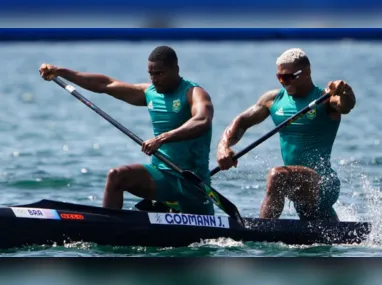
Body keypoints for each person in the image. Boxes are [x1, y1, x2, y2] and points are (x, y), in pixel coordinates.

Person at [39, 45, 215, 215]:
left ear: (176, 69)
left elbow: (202, 120)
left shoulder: (193, 93)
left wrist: (161, 139)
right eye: (151, 74)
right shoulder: (150, 92)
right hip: (162, 176)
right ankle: (106, 228)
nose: (154, 79)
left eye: (159, 73)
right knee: (116, 176)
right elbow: (105, 84)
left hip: (193, 182)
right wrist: (60, 72)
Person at [216, 48, 356, 221]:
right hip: (297, 184)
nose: (284, 82)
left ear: (307, 72)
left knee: (277, 176)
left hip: (323, 183)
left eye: (289, 77)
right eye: (280, 77)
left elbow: (346, 105)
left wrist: (345, 90)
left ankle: (262, 233)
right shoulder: (273, 100)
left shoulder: (325, 99)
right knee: (318, 224)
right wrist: (224, 146)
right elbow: (242, 122)